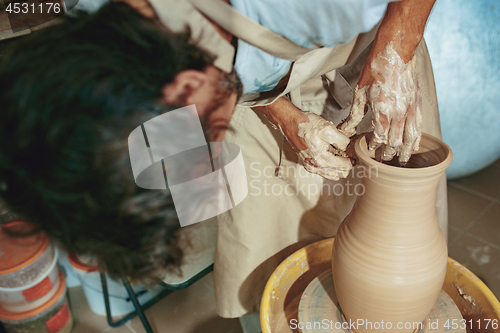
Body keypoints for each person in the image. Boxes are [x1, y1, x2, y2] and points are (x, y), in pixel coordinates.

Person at [0, 0, 447, 324]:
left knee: (397, 225)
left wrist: (397, 48)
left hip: (368, 54)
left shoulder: (322, 6)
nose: (211, 147)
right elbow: (232, 81)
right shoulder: (88, 16)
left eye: (205, 137)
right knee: (253, 237)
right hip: (248, 77)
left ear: (187, 85)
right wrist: (287, 116)